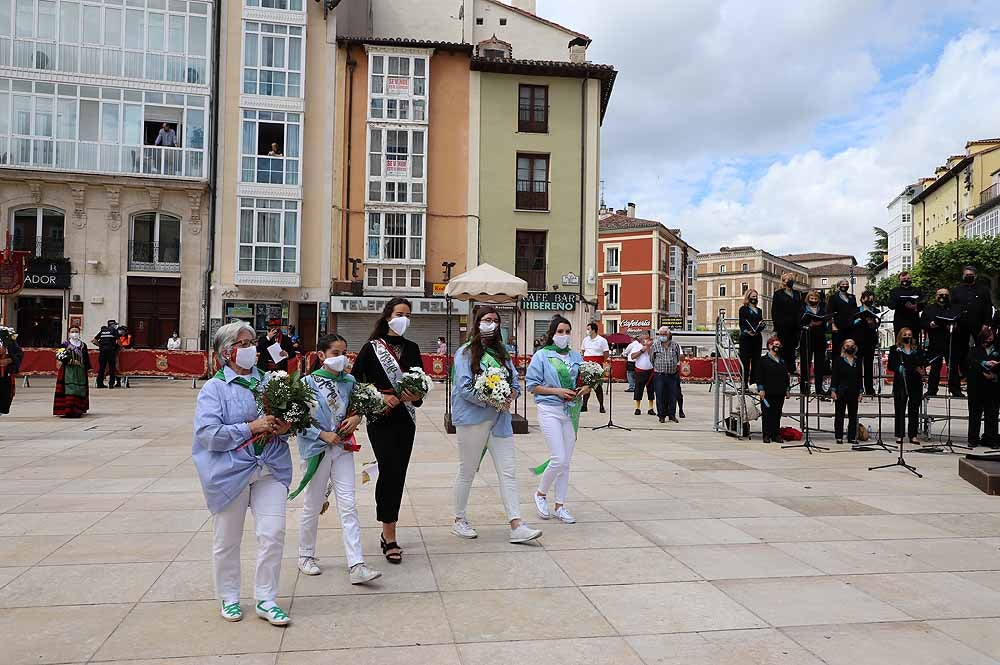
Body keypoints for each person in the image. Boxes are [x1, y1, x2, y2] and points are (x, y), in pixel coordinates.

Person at [192, 321, 293, 625]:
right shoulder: (214, 389)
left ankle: (266, 598)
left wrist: (285, 428)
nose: (252, 349)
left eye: (252, 343)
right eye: (245, 344)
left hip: (270, 468)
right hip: (229, 473)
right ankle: (229, 596)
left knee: (273, 533)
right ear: (227, 352)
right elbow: (208, 434)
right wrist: (251, 427)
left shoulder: (271, 382)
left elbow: (285, 424)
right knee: (227, 539)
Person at [295, 334, 382, 584]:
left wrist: (356, 418)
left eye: (344, 352)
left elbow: (358, 408)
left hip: (342, 449)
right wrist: (322, 434)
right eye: (335, 353)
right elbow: (298, 420)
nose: (341, 357)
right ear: (321, 355)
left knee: (348, 504)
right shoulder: (307, 383)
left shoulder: (350, 381)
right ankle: (305, 555)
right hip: (317, 451)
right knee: (313, 503)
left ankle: (356, 563)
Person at [452, 307, 541, 542]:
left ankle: (516, 524)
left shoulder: (503, 354)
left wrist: (509, 396)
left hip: (500, 421)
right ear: (477, 322)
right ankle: (459, 519)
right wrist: (492, 400)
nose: (491, 324)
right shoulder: (465, 353)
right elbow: (464, 388)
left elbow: (515, 382)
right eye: (486, 319)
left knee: (508, 472)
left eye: (495, 320)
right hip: (473, 419)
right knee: (467, 470)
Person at [351, 297, 423, 564]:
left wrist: (409, 395)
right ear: (388, 316)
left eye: (408, 314)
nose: (404, 318)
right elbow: (357, 385)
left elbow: (419, 391)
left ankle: (388, 530)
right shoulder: (371, 349)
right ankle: (389, 534)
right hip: (380, 419)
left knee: (398, 473)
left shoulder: (413, 348)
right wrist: (379, 400)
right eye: (399, 313)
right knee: (389, 470)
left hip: (406, 420)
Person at [527, 316, 590, 524]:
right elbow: (532, 385)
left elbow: (585, 379)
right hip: (549, 409)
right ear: (552, 333)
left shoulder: (575, 356)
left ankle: (560, 505)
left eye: (567, 331)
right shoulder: (542, 356)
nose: (564, 335)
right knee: (558, 458)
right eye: (560, 331)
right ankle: (541, 494)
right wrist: (557, 391)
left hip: (570, 411)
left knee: (566, 463)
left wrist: (586, 388)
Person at [952, 266, 996, 397]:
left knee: (982, 352)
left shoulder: (983, 290)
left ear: (975, 276)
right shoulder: (956, 290)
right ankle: (958, 385)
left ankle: (984, 380)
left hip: (979, 326)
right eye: (966, 274)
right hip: (961, 326)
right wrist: (953, 321)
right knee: (960, 355)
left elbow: (988, 307)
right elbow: (953, 307)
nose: (968, 276)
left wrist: (987, 324)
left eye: (971, 274)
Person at [921, 288, 961, 397]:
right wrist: (930, 324)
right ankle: (932, 390)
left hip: (951, 341)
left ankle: (956, 390)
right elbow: (923, 322)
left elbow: (961, 321)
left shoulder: (955, 308)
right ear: (936, 296)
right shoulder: (929, 309)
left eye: (945, 294)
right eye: (940, 294)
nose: (943, 296)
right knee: (935, 367)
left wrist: (955, 326)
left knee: (952, 367)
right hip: (935, 342)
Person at [888, 327, 925, 445]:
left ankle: (913, 435)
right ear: (900, 336)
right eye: (905, 334)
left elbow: (923, 362)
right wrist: (898, 368)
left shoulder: (917, 349)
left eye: (909, 334)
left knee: (914, 409)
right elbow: (891, 365)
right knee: (900, 409)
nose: (907, 337)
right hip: (901, 381)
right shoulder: (895, 349)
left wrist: (921, 368)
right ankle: (899, 434)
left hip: (915, 381)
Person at [967, 327, 1000, 449]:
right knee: (975, 414)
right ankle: (973, 439)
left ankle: (991, 439)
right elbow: (970, 364)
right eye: (988, 336)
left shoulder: (997, 351)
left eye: (992, 335)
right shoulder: (974, 350)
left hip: (993, 388)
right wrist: (983, 364)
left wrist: (995, 375)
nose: (990, 338)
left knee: (992, 414)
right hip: (977, 387)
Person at [755, 336, 789, 444]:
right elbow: (759, 376)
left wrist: (787, 389)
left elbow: (785, 376)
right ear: (770, 346)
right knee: (767, 414)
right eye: (776, 344)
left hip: (780, 391)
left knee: (777, 413)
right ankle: (767, 435)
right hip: (767, 392)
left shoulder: (782, 361)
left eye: (779, 345)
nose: (778, 347)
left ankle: (776, 434)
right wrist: (761, 389)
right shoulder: (763, 360)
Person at [53, 325, 91, 418]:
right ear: (69, 333)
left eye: (76, 331)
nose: (75, 333)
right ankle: (69, 409)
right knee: (70, 388)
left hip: (80, 370)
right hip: (68, 370)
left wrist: (89, 368)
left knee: (79, 389)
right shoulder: (64, 345)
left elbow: (86, 358)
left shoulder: (83, 345)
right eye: (73, 331)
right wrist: (70, 360)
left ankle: (79, 409)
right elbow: (59, 355)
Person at [831, 338, 863, 447]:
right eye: (847, 345)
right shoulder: (839, 360)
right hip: (841, 391)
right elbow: (835, 376)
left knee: (853, 415)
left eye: (852, 345)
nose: (849, 347)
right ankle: (839, 436)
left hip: (854, 391)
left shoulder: (858, 361)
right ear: (843, 347)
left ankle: (851, 437)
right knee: (839, 414)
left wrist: (860, 391)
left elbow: (860, 377)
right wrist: (833, 390)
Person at [799, 290, 829, 395]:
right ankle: (804, 387)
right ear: (808, 299)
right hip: (807, 336)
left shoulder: (822, 308)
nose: (814, 300)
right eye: (812, 298)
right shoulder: (803, 308)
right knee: (805, 363)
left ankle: (819, 388)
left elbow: (826, 320)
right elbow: (799, 321)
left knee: (820, 364)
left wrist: (823, 321)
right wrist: (809, 323)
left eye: (816, 299)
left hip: (820, 337)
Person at [650, 326, 682, 423]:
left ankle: (672, 415)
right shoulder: (655, 345)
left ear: (669, 335)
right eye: (661, 334)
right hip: (659, 375)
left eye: (665, 334)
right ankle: (661, 415)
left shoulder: (675, 345)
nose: (663, 336)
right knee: (660, 395)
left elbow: (678, 358)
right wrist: (658, 367)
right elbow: (651, 359)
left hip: (672, 375)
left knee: (672, 395)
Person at [771, 273, 802, 372]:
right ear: (783, 281)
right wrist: (776, 326)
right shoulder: (778, 294)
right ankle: (782, 370)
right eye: (787, 279)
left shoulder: (797, 294)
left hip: (795, 326)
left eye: (791, 279)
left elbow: (800, 309)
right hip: (782, 326)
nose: (789, 281)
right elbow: (774, 311)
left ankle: (791, 369)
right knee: (782, 349)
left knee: (792, 350)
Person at [854, 290, 880, 395]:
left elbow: (878, 325)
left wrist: (873, 322)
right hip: (859, 340)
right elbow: (852, 322)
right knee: (858, 365)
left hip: (870, 340)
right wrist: (859, 319)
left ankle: (869, 388)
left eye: (872, 298)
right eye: (868, 298)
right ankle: (859, 388)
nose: (870, 300)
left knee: (869, 365)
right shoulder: (856, 310)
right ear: (862, 299)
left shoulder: (876, 310)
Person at [580, 322, 608, 413]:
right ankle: (584, 405)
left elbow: (606, 353)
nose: (587, 331)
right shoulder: (585, 340)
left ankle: (601, 406)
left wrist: (600, 363)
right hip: (587, 364)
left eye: (588, 329)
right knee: (586, 385)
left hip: (597, 364)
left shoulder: (602, 340)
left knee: (597, 386)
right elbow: (583, 351)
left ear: (594, 330)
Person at [738, 289, 764, 389]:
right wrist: (747, 331)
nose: (754, 298)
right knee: (745, 360)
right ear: (748, 297)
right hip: (746, 338)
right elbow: (742, 323)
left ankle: (753, 383)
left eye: (756, 296)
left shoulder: (759, 310)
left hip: (757, 337)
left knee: (756, 361)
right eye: (752, 296)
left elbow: (760, 321)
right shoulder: (743, 309)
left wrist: (761, 326)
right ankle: (744, 383)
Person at [888, 271, 922, 340]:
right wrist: (901, 303)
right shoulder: (894, 291)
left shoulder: (917, 290)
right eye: (904, 279)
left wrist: (915, 307)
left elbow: (923, 303)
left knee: (914, 341)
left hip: (914, 321)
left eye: (908, 278)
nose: (906, 280)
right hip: (900, 320)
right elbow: (890, 305)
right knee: (899, 341)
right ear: (899, 280)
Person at [829, 279, 858, 357]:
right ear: (839, 286)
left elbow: (855, 311)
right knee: (837, 349)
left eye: (846, 284)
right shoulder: (833, 298)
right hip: (838, 327)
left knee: (850, 348)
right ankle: (837, 368)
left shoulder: (852, 297)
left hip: (851, 326)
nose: (845, 286)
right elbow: (830, 312)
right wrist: (832, 325)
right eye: (843, 284)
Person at [630, 332, 655, 415]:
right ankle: (637, 408)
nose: (645, 340)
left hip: (650, 371)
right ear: (640, 339)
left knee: (651, 390)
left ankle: (651, 408)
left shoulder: (652, 346)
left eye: (647, 338)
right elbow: (632, 356)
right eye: (644, 338)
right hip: (640, 371)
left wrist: (648, 347)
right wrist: (641, 350)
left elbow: (652, 356)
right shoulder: (636, 346)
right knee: (638, 390)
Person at [0, 327, 23, 416]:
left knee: (4, 398)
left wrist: (10, 360)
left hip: (4, 374)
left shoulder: (6, 335)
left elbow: (18, 353)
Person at [93, 320, 119, 389]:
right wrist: (121, 347)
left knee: (102, 367)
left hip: (102, 351)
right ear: (113, 325)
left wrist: (100, 345)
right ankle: (111, 384)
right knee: (111, 368)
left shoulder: (103, 331)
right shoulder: (114, 330)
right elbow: (118, 341)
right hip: (111, 351)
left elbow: (94, 341)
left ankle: (99, 384)